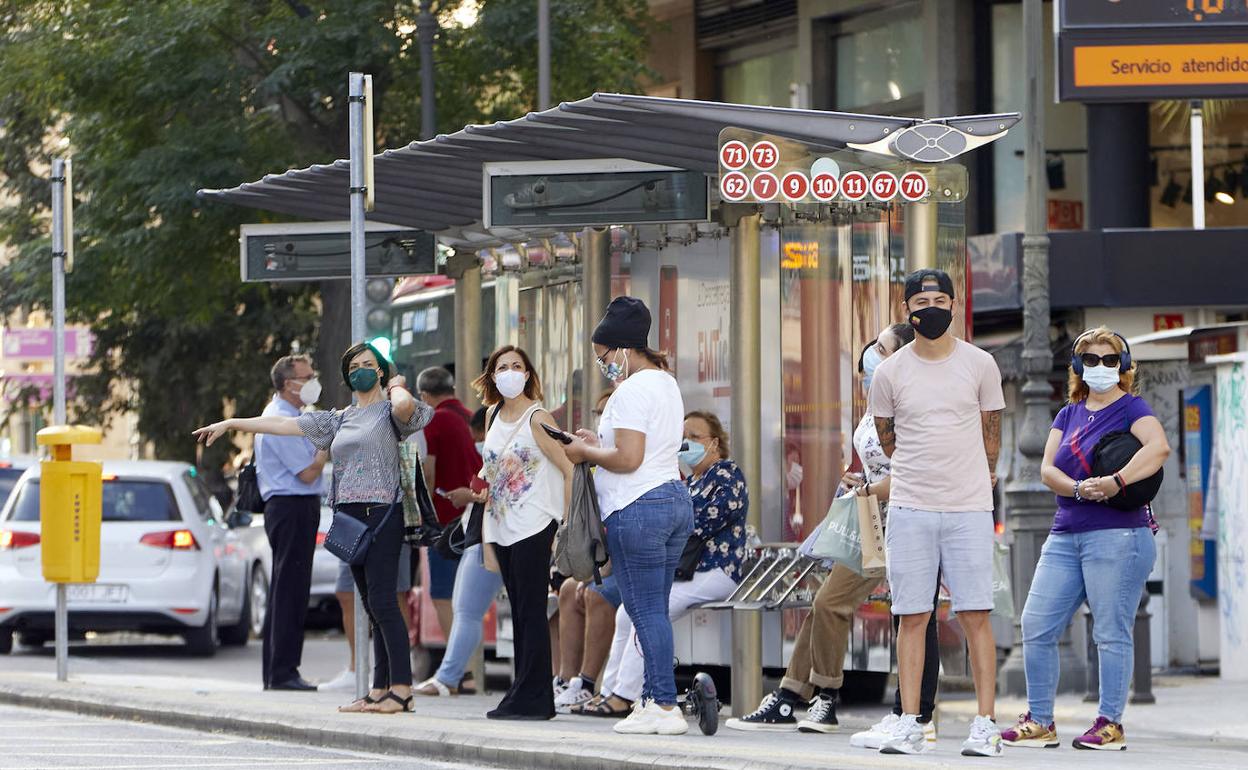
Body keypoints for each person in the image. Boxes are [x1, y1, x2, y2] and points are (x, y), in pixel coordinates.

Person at [728, 323, 941, 746]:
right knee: (824, 605)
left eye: (881, 348)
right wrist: (853, 480)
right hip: (866, 513)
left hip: (900, 514)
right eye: (872, 346)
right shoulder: (874, 401)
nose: (869, 354)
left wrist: (874, 488)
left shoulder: (911, 407)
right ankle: (791, 695)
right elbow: (870, 460)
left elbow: (917, 469)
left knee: (835, 602)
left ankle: (826, 695)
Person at [194, 341, 432, 714]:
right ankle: (378, 689)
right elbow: (282, 424)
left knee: (386, 602)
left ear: (382, 371)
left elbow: (406, 408)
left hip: (384, 512)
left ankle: (401, 690)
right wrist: (230, 423)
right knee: (371, 605)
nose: (360, 371)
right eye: (353, 367)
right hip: (350, 517)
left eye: (368, 365)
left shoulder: (390, 411)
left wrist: (398, 383)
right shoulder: (338, 418)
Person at [1001, 328, 1167, 752]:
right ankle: (1040, 721)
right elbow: (1047, 469)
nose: (1099, 367)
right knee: (1036, 625)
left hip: (1119, 535)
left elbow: (1158, 448)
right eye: (1089, 359)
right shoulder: (1068, 413)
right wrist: (1077, 489)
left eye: (1109, 359)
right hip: (1067, 532)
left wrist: (1116, 481)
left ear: (1124, 366)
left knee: (1110, 632)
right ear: (1077, 367)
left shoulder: (1134, 407)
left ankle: (1110, 724)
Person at [868, 269, 1005, 756]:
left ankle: (985, 724)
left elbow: (992, 430)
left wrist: (982, 475)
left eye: (940, 298)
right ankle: (911, 722)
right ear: (906, 308)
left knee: (974, 614)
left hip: (968, 507)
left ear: (953, 303)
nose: (931, 306)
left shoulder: (980, 363)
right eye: (921, 299)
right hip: (910, 506)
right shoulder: (889, 373)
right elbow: (888, 439)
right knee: (912, 615)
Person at [563, 296, 693, 736]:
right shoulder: (665, 383)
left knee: (645, 610)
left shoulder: (631, 389)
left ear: (620, 348)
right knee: (650, 609)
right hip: (673, 501)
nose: (604, 364)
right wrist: (595, 441)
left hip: (638, 507)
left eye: (603, 356)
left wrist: (584, 451)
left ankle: (663, 704)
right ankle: (656, 700)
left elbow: (628, 457)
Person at [594, 410, 746, 716]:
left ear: (714, 443)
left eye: (694, 437)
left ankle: (624, 695)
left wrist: (661, 526)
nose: (686, 443)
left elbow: (704, 521)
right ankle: (608, 690)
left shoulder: (727, 474)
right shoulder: (689, 482)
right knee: (627, 612)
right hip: (685, 571)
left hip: (716, 569)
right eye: (682, 437)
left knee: (650, 613)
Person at [465, 345, 573, 720]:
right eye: (502, 367)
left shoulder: (537, 416)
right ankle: (524, 691)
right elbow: (493, 466)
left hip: (534, 523)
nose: (510, 372)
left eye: (517, 366)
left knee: (530, 611)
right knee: (520, 610)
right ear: (492, 375)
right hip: (501, 524)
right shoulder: (494, 414)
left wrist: (566, 523)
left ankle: (536, 697)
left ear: (528, 374)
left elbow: (568, 466)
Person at [415, 409, 503, 698]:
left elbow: (492, 491)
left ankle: (449, 676)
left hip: (488, 534)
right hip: (495, 533)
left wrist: (466, 495)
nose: (476, 441)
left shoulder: (502, 445)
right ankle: (452, 676)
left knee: (466, 608)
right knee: (471, 609)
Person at [254, 354, 328, 692]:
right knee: (290, 590)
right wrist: (325, 445)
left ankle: (280, 670)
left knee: (289, 589)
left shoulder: (292, 417)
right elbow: (308, 471)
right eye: (307, 377)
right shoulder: (279, 421)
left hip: (293, 506)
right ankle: (282, 672)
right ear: (288, 385)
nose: (313, 382)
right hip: (291, 506)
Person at [416, 366, 483, 641]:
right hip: (475, 518)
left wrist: (423, 514)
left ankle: (459, 671)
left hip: (445, 520)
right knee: (466, 597)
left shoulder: (433, 420)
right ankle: (465, 669)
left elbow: (428, 472)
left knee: (443, 594)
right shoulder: (470, 417)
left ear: (423, 395)